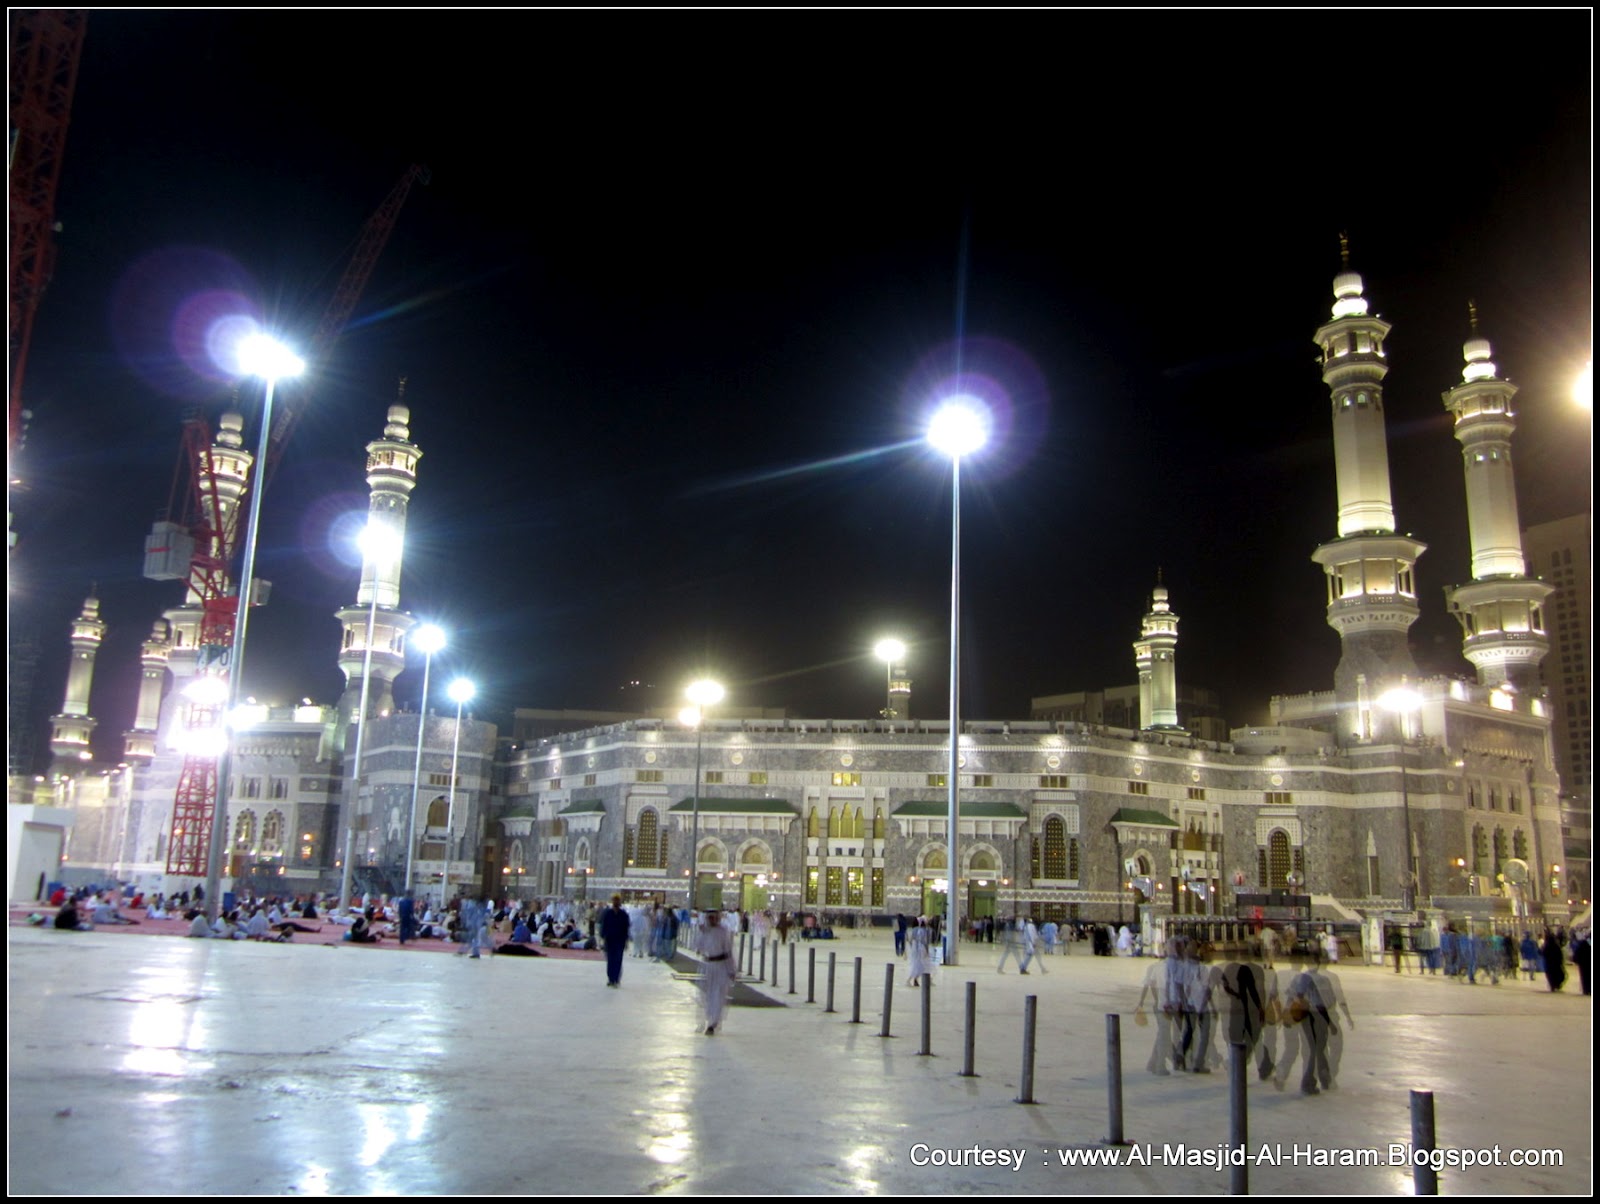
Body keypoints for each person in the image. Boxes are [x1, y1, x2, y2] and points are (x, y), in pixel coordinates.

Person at [699, 908, 736, 1034]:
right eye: (710, 918)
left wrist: (732, 969)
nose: (712, 920)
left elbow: (728, 952)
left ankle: (713, 1023)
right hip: (708, 967)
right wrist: (702, 933)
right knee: (709, 995)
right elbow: (698, 947)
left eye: (714, 917)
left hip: (721, 967)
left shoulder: (723, 931)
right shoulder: (705, 932)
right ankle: (709, 1019)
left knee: (718, 995)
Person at [600, 895, 630, 987]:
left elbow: (626, 928)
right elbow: (604, 926)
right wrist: (603, 937)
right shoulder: (608, 914)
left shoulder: (623, 915)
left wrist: (626, 941)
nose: (616, 902)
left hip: (620, 941)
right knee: (610, 960)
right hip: (609, 940)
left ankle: (616, 979)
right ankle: (610, 979)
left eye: (618, 900)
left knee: (618, 960)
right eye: (615, 900)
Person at [906, 916, 934, 987]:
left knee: (917, 964)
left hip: (915, 949)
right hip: (921, 949)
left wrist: (912, 947)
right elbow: (925, 942)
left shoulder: (913, 930)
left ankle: (915, 979)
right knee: (925, 965)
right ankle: (914, 979)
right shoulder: (924, 931)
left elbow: (909, 940)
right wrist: (927, 951)